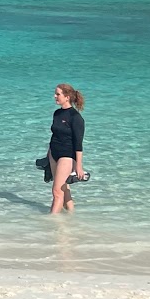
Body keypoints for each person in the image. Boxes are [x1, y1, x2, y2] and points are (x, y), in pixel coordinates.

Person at [48, 83, 86, 214]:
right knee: (63, 189)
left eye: (58, 94)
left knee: (57, 191)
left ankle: (51, 221)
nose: (55, 96)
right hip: (53, 154)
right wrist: (48, 156)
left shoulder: (76, 118)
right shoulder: (57, 113)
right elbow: (54, 135)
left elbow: (78, 144)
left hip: (67, 155)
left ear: (67, 97)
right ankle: (72, 216)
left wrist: (78, 166)